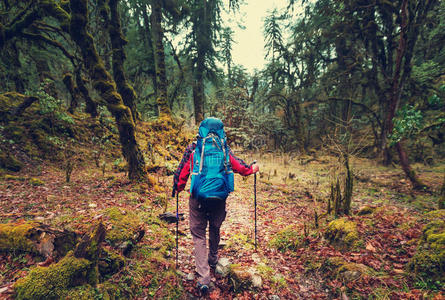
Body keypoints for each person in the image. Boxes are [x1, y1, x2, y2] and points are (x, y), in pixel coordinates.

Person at [172, 117, 259, 294]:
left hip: (198, 198)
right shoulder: (224, 148)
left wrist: (177, 188)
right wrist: (252, 169)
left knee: (198, 234)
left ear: (201, 129)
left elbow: (182, 171)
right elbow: (240, 167)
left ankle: (204, 278)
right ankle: (212, 259)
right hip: (219, 198)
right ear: (221, 130)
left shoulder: (194, 147)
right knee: (215, 227)